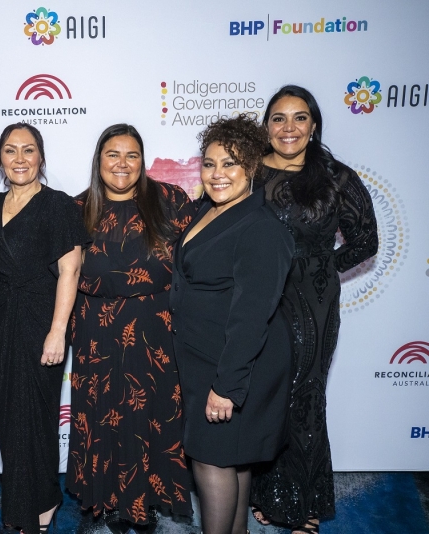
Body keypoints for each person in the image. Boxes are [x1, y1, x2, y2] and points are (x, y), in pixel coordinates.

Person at [249, 86, 378, 534]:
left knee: (304, 396)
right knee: (264, 398)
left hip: (314, 306)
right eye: (279, 118)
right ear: (266, 126)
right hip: (258, 303)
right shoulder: (247, 175)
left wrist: (320, 268)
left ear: (314, 125)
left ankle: (302, 501)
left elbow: (366, 240)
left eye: (299, 118)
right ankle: (268, 494)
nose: (288, 128)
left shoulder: (335, 177)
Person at [66, 124, 195, 533]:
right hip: (94, 330)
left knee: (152, 414)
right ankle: (105, 500)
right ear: (98, 160)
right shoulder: (77, 208)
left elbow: (200, 260)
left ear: (142, 161)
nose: (122, 164)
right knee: (102, 414)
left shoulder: (171, 200)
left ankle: (147, 502)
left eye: (132, 155)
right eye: (112, 154)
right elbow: (61, 275)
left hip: (155, 328)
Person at [170, 114, 295, 534]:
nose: (218, 173)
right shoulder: (207, 209)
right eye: (210, 163)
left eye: (231, 163)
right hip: (204, 355)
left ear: (253, 169)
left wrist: (227, 386)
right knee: (232, 459)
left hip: (235, 363)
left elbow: (250, 316)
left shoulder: (261, 228)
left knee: (212, 458)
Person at [0, 123, 89, 534]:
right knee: (9, 416)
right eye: (11, 151)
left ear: (41, 157)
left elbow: (70, 269)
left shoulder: (58, 205)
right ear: (1, 158)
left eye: (29, 150)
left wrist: (58, 330)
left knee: (37, 415)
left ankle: (39, 505)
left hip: (41, 317)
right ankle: (26, 502)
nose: (20, 159)